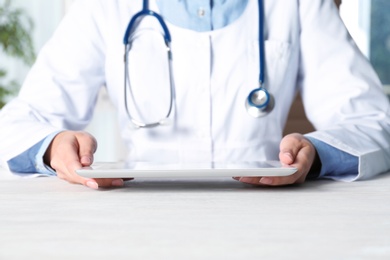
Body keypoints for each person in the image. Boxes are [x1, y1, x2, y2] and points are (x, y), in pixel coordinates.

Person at [0, 0, 389, 189]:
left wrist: (317, 154)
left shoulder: (298, 4)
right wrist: (52, 146)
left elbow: (373, 120)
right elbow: (18, 123)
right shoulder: (105, 7)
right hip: (137, 216)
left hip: (268, 218)